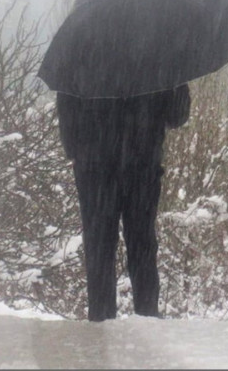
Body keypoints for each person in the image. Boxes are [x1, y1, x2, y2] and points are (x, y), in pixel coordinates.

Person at [57, 84, 190, 321]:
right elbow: (177, 116)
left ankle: (101, 319)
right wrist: (176, 82)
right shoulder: (158, 55)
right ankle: (147, 317)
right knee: (142, 243)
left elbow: (68, 109)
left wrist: (76, 152)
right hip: (142, 166)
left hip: (94, 168)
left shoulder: (82, 54)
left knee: (99, 245)